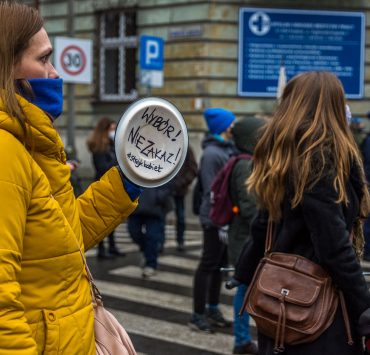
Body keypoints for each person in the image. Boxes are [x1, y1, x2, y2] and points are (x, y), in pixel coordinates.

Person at [0, 3, 140, 353]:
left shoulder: (30, 140)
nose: (53, 72)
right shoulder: (6, 151)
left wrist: (122, 185)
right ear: (7, 66)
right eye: (44, 59)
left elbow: (62, 241)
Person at [234, 71, 370, 355]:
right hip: (315, 309)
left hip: (280, 299)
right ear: (332, 106)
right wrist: (365, 307)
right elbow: (333, 246)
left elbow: (264, 223)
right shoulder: (319, 159)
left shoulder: (283, 155)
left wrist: (244, 271)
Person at [188, 107, 236, 332]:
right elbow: (212, 190)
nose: (234, 126)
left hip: (223, 217)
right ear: (224, 127)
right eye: (231, 123)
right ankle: (197, 315)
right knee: (208, 265)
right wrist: (220, 220)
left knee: (220, 265)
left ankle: (213, 308)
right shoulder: (212, 154)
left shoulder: (224, 149)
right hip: (214, 218)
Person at [228, 116, 265, 355]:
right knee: (244, 288)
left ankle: (243, 339)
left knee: (247, 287)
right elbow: (250, 206)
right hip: (245, 239)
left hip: (246, 237)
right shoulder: (244, 165)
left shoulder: (249, 161)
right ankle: (241, 340)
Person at [87, 117, 126, 259]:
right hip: (101, 185)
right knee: (101, 219)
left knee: (111, 219)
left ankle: (112, 246)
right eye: (111, 129)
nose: (114, 132)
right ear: (104, 130)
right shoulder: (98, 147)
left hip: (111, 185)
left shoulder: (111, 144)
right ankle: (102, 250)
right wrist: (116, 162)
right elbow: (102, 167)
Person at [128, 183, 173, 277]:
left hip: (155, 208)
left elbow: (170, 178)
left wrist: (159, 196)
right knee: (134, 232)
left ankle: (151, 264)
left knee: (152, 237)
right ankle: (148, 252)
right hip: (135, 205)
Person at [172, 145, 198, 251]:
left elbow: (193, 169)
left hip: (179, 190)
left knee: (180, 217)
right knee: (159, 218)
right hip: (164, 190)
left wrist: (182, 182)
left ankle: (180, 240)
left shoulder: (186, 148)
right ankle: (159, 243)